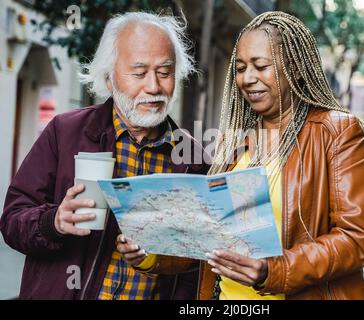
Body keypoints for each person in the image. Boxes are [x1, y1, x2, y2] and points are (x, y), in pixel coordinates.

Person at [118, 11, 364, 300]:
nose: (247, 78)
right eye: (240, 68)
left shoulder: (335, 132)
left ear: (294, 66)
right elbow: (209, 243)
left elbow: (354, 239)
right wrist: (149, 254)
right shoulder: (237, 145)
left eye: (260, 66)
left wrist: (274, 271)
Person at [0, 12, 209, 300]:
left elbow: (194, 264)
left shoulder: (193, 159)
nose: (154, 86)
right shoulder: (66, 132)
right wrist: (54, 222)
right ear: (109, 78)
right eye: (139, 72)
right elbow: (12, 220)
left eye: (164, 72)